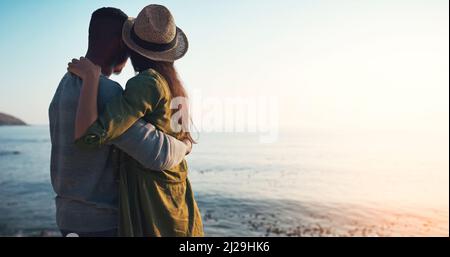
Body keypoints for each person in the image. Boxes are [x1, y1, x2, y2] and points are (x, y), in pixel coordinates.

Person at [49, 7, 191, 237]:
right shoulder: (105, 92)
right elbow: (156, 153)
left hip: (67, 218)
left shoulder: (64, 84)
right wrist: (186, 145)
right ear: (118, 44)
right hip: (102, 222)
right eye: (127, 44)